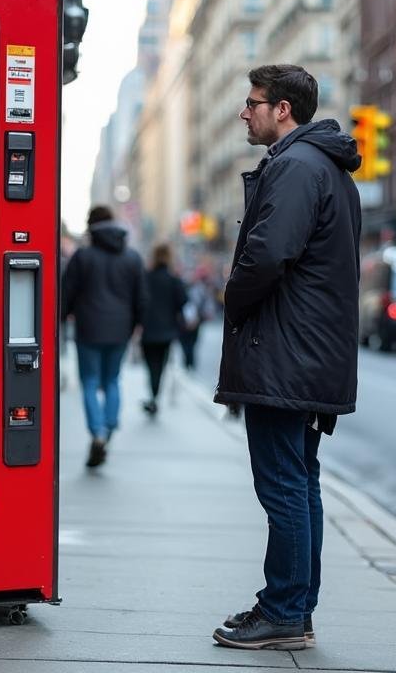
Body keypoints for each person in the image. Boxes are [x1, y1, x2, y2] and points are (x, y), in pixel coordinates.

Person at [212, 64, 361, 651]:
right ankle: (295, 609)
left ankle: (282, 610)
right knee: (299, 484)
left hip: (285, 353)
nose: (244, 112)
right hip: (305, 352)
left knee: (283, 487)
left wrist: (233, 300)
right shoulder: (320, 167)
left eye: (253, 103)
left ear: (283, 110)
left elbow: (270, 252)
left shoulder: (297, 167)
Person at [61, 206, 147, 468]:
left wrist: (63, 318)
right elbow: (141, 297)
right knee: (112, 380)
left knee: (89, 381)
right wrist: (137, 325)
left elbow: (66, 293)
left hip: (88, 328)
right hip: (120, 329)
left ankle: (97, 432)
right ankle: (108, 429)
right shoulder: (132, 257)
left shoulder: (83, 256)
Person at [139, 243, 187, 416]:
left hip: (148, 330)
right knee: (161, 366)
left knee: (151, 366)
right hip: (167, 332)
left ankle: (153, 397)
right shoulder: (174, 279)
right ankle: (154, 397)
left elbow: (138, 301)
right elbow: (183, 301)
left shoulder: (146, 277)